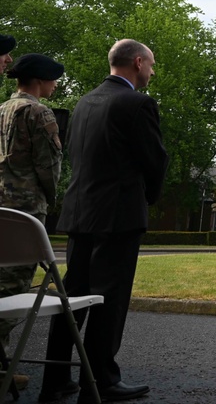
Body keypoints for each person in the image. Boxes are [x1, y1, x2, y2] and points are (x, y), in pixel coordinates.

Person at [40, 39, 168, 404]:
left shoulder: (84, 102)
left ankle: (56, 377)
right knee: (108, 300)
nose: (152, 72)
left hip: (80, 212)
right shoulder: (137, 103)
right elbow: (155, 160)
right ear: (138, 62)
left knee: (73, 297)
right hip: (118, 214)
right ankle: (102, 380)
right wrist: (148, 198)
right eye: (152, 65)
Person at [0, 53, 64, 392]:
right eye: (53, 79)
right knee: (12, 292)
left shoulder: (1, 109)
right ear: (40, 80)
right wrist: (50, 200)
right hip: (24, 211)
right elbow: (48, 166)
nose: (55, 85)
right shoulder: (39, 112)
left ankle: (3, 370)